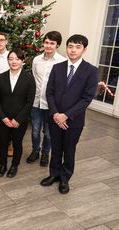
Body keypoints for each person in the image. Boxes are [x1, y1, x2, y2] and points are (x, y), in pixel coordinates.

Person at [41, 34, 98, 194]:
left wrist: (66, 115)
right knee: (56, 147)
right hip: (55, 117)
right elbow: (49, 92)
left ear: (84, 49)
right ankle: (54, 174)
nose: (73, 50)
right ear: (66, 47)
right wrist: (55, 113)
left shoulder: (91, 71)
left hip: (73, 120)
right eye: (70, 46)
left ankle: (65, 178)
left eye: (77, 47)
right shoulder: (57, 67)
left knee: (69, 149)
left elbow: (87, 98)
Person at [26, 31, 67, 167]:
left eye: (52, 43)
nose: (48, 46)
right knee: (35, 130)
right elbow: (34, 78)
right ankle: (35, 151)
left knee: (48, 133)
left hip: (52, 105)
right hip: (36, 102)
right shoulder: (36, 60)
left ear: (57, 45)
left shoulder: (62, 62)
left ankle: (45, 153)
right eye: (46, 42)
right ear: (43, 43)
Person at [0, 48, 36, 178]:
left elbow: (29, 101)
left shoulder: (29, 79)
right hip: (4, 119)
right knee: (3, 142)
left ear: (22, 61)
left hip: (20, 120)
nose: (14, 62)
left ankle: (14, 165)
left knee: (17, 143)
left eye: (17, 59)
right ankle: (3, 164)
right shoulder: (1, 77)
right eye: (11, 59)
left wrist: (18, 119)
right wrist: (3, 117)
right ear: (7, 61)